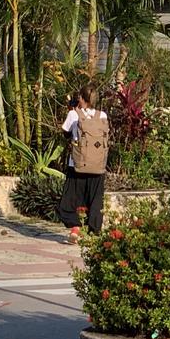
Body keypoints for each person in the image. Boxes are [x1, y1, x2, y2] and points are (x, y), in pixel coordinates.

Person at [57, 84, 109, 244]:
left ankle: (75, 230)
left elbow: (65, 133)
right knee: (95, 200)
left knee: (71, 200)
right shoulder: (102, 115)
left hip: (77, 165)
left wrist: (72, 110)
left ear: (81, 98)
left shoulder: (73, 114)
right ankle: (94, 233)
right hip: (98, 165)